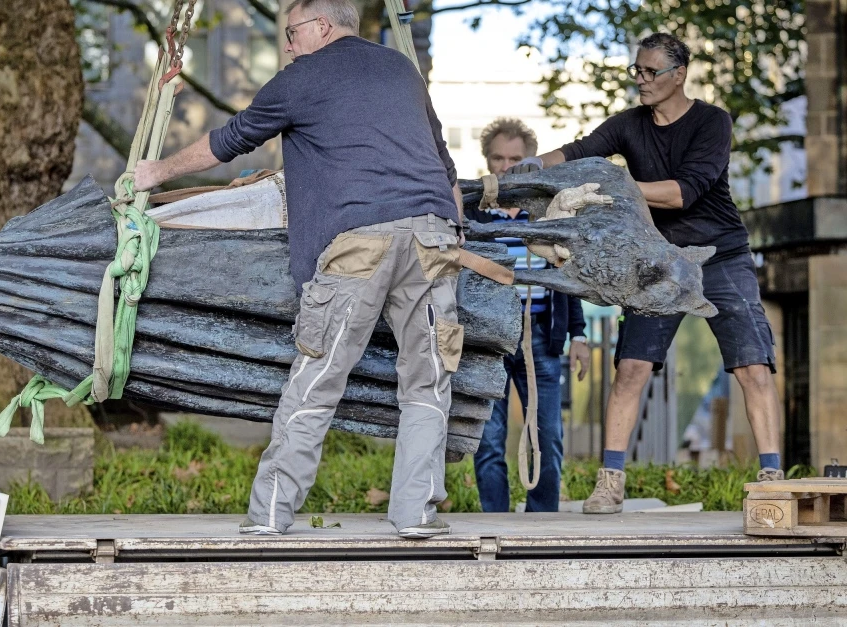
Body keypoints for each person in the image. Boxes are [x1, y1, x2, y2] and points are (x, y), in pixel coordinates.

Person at [133, 0, 465, 538]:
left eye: (291, 32)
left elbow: (229, 142)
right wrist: (455, 233)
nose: (287, 45)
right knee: (428, 384)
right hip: (434, 238)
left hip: (358, 244)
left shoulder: (302, 77)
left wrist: (157, 171)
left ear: (322, 27)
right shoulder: (401, 69)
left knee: (317, 380)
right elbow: (445, 164)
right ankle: (416, 516)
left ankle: (269, 517)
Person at [509, 32, 783, 514]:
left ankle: (772, 476)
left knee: (752, 366)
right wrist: (528, 169)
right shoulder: (628, 123)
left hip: (721, 255)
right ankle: (610, 482)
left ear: (679, 75)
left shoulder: (712, 122)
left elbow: (684, 193)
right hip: (655, 260)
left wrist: (616, 183)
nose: (641, 79)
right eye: (636, 70)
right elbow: (579, 152)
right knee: (631, 369)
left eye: (651, 71)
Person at [468, 118, 591, 513]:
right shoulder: (473, 215)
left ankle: (541, 523)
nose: (506, 166)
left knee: (548, 436)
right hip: (488, 340)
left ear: (530, 161)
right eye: (499, 158)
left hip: (540, 335)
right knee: (488, 439)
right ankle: (496, 521)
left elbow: (566, 276)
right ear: (487, 161)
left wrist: (580, 336)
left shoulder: (548, 214)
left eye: (516, 158)